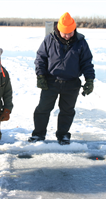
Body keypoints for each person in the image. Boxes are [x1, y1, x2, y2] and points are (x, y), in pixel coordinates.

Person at [28, 12, 95, 145]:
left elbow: (87, 62)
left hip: (72, 83)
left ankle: (63, 135)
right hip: (51, 81)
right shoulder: (49, 40)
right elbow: (40, 59)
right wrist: (40, 75)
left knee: (67, 110)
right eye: (65, 32)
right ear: (59, 29)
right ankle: (38, 134)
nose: (68, 35)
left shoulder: (81, 42)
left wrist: (90, 80)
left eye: (70, 32)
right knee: (43, 109)